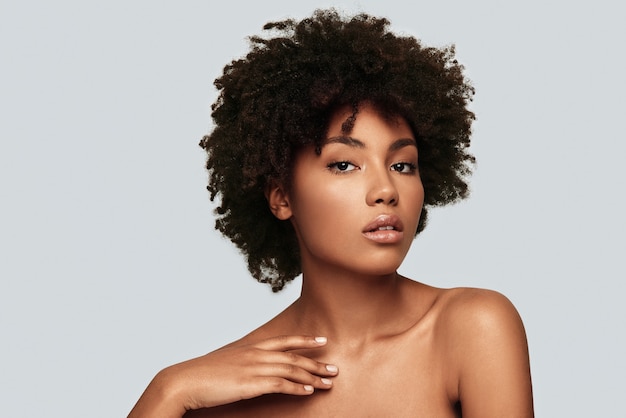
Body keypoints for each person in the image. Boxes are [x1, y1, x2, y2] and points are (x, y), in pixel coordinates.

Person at [129, 9, 533, 417]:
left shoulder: (472, 329)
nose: (385, 191)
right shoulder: (227, 388)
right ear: (282, 197)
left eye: (402, 165)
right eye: (344, 165)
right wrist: (167, 392)